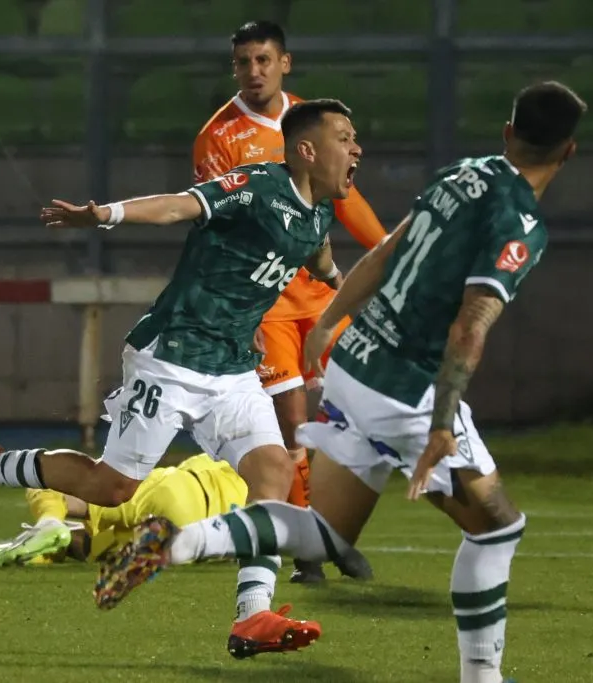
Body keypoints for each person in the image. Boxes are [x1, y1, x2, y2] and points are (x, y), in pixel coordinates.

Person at [93, 81, 586, 683]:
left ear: (507, 134)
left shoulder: (463, 175)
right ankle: (483, 678)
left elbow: (384, 253)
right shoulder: (522, 224)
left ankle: (176, 543)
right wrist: (441, 425)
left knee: (325, 534)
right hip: (409, 389)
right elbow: (470, 327)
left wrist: (328, 326)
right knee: (499, 528)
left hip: (357, 362)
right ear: (568, 152)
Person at [0, 98, 369, 658]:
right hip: (171, 357)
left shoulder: (319, 212)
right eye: (345, 138)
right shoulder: (258, 186)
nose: (357, 148)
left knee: (274, 471)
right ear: (307, 150)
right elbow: (178, 206)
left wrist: (339, 284)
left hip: (232, 370)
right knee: (111, 488)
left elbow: (317, 253)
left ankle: (252, 616)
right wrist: (103, 215)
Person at [194, 20, 388, 584]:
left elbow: (346, 197)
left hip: (321, 295)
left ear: (285, 63)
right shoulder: (219, 137)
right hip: (268, 300)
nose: (253, 72)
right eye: (243, 62)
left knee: (355, 411)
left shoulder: (312, 119)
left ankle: (329, 530)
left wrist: (387, 252)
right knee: (293, 422)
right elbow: (219, 226)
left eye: (263, 60)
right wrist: (241, 307)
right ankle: (309, 553)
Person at [0, 453, 247, 567]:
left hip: (183, 490)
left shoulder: (249, 450)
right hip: (199, 542)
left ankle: (49, 523)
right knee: (96, 546)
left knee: (51, 487)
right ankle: (39, 553)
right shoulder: (270, 483)